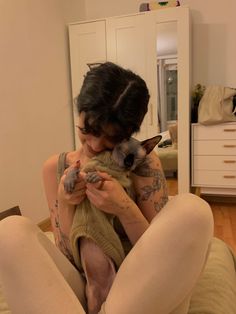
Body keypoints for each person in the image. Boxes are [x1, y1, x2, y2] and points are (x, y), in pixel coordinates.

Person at [0, 62, 213, 314]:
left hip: (137, 287)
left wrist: (124, 207)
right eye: (87, 130)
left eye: (111, 138)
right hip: (83, 287)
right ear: (79, 112)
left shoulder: (140, 161)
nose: (96, 144)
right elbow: (68, 259)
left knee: (194, 211)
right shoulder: (54, 168)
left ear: (130, 132)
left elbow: (162, 253)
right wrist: (65, 202)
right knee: (8, 230)